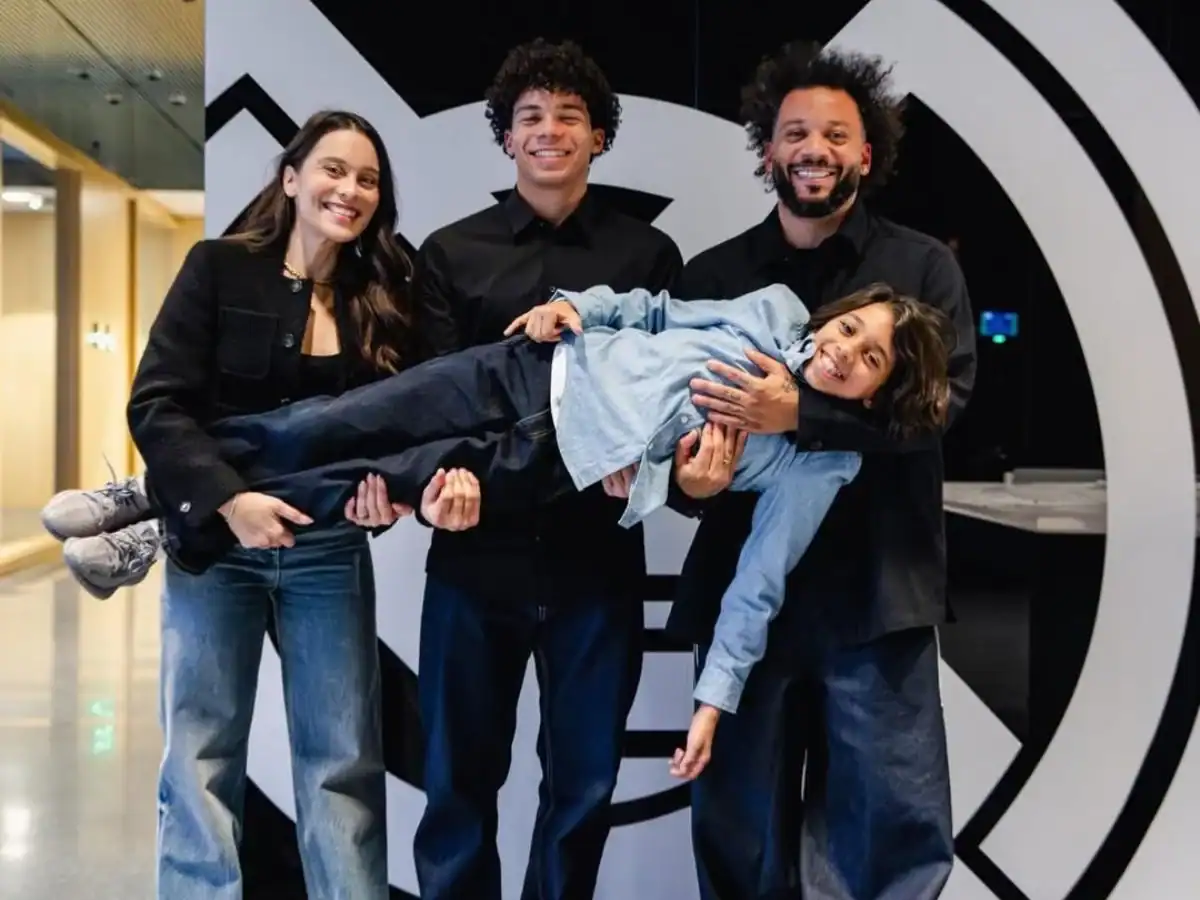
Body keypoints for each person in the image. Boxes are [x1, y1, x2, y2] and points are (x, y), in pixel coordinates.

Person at [47, 282, 952, 752]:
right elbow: (654, 309)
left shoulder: (818, 462)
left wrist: (714, 702)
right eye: (850, 330)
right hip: (526, 371)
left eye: (870, 358)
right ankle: (156, 488)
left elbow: (758, 586)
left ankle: (158, 533)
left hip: (548, 461)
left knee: (357, 480)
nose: (845, 351)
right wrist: (577, 306)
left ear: (879, 394)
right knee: (329, 422)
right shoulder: (770, 313)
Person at [42, 110, 478, 900]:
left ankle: (135, 513)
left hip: (328, 551)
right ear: (291, 177)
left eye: (368, 179)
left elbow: (414, 423)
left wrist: (391, 500)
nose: (350, 190)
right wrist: (230, 501)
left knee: (342, 763)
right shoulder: (219, 267)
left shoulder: (387, 293)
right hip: (217, 549)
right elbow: (157, 403)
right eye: (334, 170)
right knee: (200, 760)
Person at [659, 42, 978, 900]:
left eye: (836, 135)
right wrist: (689, 487)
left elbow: (942, 407)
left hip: (879, 595)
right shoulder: (715, 276)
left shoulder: (923, 270)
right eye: (795, 132)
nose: (814, 149)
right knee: (738, 836)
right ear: (767, 150)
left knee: (890, 840)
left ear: (866, 154)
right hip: (743, 593)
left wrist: (798, 413)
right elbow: (676, 435)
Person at [406, 39, 686, 900]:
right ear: (506, 138)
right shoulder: (450, 253)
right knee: (456, 783)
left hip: (595, 562)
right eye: (529, 116)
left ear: (598, 136)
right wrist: (440, 487)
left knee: (584, 787)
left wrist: (644, 455)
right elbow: (428, 403)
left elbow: (668, 393)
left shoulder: (648, 258)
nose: (549, 130)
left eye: (569, 115)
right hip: (473, 557)